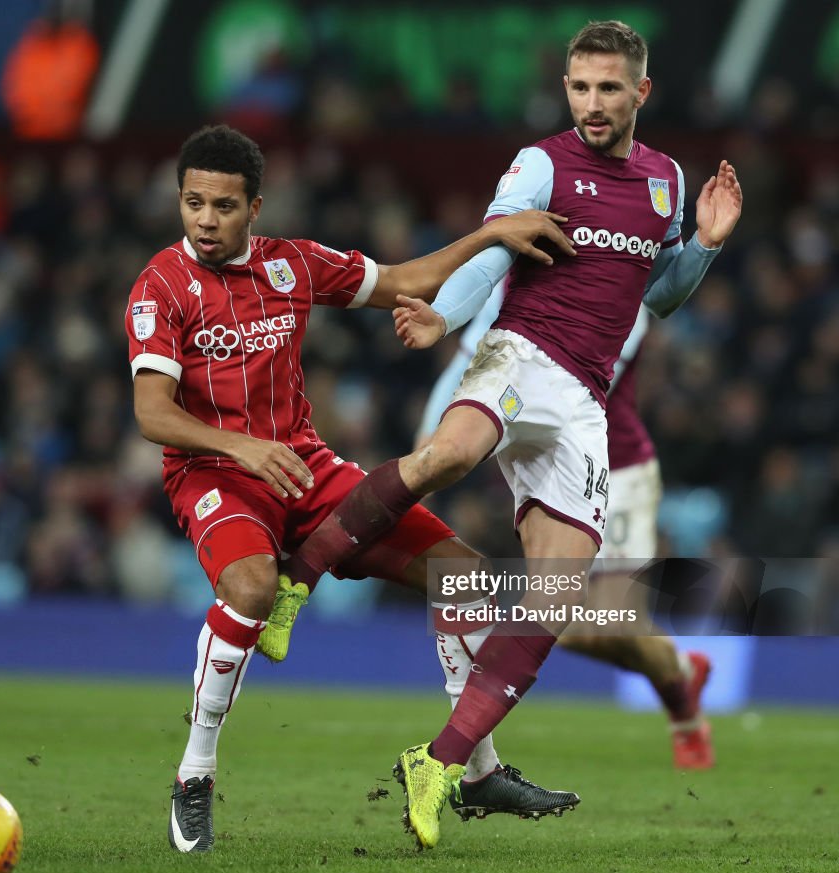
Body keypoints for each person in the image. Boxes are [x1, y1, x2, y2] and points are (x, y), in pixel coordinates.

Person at [274, 20, 742, 848]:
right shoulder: (541, 164)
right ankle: (298, 578)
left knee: (556, 600)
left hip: (585, 405)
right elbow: (493, 255)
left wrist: (703, 244)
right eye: (578, 87)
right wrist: (444, 315)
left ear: (641, 92)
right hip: (519, 355)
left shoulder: (667, 181)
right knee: (445, 456)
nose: (591, 104)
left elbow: (657, 296)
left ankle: (444, 763)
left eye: (607, 88)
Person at [125, 124, 577, 853]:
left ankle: (478, 771)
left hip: (306, 470)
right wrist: (244, 446)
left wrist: (498, 233)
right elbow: (152, 413)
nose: (206, 221)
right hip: (215, 475)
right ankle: (195, 776)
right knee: (250, 589)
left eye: (223, 207)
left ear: (255, 208)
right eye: (194, 204)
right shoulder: (160, 286)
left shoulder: (293, 266)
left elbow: (406, 280)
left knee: (463, 577)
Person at [262, 294, 715, 776]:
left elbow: (577, 383)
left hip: (614, 470)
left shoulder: (621, 294)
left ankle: (681, 680)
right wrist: (430, 448)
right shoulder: (525, 283)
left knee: (597, 621)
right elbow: (470, 358)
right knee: (571, 627)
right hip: (545, 460)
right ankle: (678, 674)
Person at [1, 7, 99, 140]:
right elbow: (15, 92)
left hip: (65, 137)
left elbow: (70, 93)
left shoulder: (78, 45)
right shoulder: (32, 45)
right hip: (26, 134)